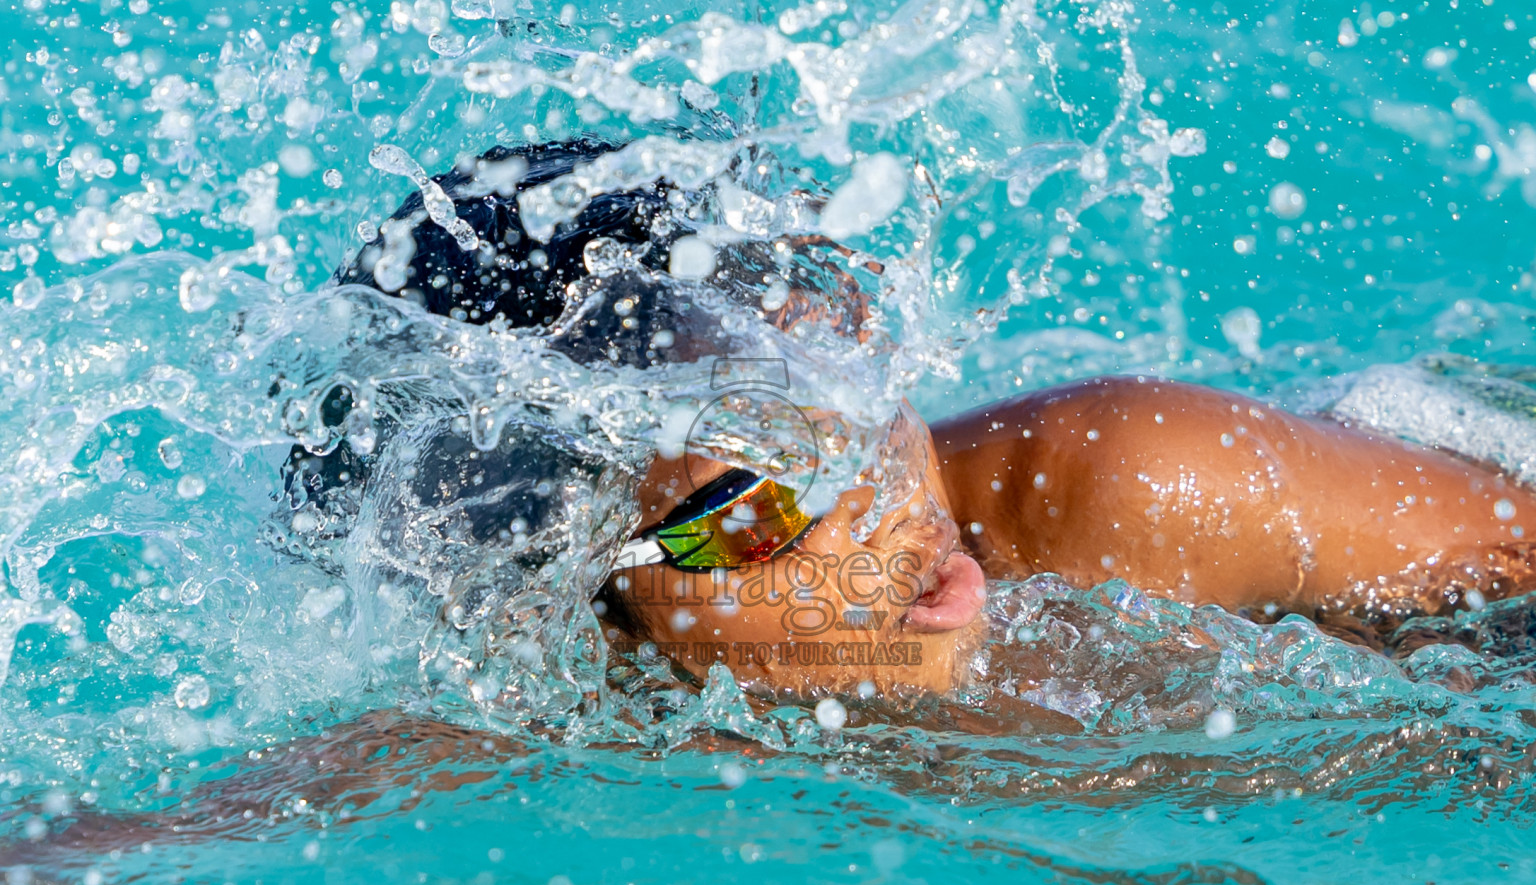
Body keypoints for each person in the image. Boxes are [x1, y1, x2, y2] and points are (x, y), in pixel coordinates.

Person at [295, 137, 1536, 705]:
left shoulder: (1122, 485)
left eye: (830, 414)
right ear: (579, 589)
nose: (841, 498)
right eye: (749, 512)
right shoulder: (625, 680)